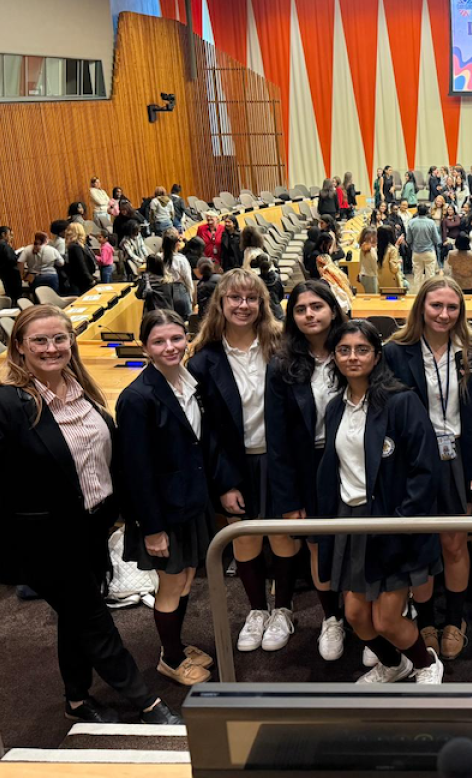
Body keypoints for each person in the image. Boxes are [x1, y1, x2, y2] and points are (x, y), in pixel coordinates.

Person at [0, 305, 181, 725]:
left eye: (60, 338)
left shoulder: (82, 389)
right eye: (39, 340)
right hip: (43, 540)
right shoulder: (5, 403)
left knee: (77, 616)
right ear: (19, 346)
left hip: (89, 530)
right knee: (93, 620)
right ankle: (147, 704)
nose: (51, 348)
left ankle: (76, 701)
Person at [317, 319, 445, 683]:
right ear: (334, 356)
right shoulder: (335, 408)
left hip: (391, 522)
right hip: (351, 521)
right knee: (356, 616)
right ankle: (394, 664)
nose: (352, 357)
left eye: (361, 350)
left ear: (376, 356)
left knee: (386, 618)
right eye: (343, 350)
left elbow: (425, 471)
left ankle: (426, 663)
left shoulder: (401, 402)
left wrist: (400, 525)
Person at [189, 269, 304, 654]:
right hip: (235, 466)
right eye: (234, 298)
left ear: (262, 303)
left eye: (251, 298)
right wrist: (223, 483)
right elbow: (207, 433)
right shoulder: (203, 361)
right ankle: (257, 609)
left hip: (280, 459)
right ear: (220, 304)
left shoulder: (281, 345)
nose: (243, 305)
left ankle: (284, 608)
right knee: (245, 538)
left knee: (282, 535)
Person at [385, 278, 472, 660]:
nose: (444, 314)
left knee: (453, 542)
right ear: (421, 307)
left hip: (459, 458)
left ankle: (455, 620)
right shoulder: (396, 352)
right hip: (414, 461)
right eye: (436, 306)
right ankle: (426, 620)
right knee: (421, 544)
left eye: (452, 307)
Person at [118, 309, 214, 687]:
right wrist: (152, 529)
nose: (170, 347)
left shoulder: (190, 384)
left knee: (187, 576)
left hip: (190, 501)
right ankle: (171, 659)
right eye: (159, 341)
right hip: (163, 512)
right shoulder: (137, 398)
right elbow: (135, 472)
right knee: (171, 583)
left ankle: (176, 644)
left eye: (176, 338)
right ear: (145, 348)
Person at [264, 280, 349, 662]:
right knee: (319, 545)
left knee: (362, 539)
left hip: (356, 459)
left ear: (332, 309)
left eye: (317, 306)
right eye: (301, 309)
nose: (310, 314)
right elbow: (277, 439)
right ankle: (333, 617)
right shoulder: (282, 365)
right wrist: (289, 496)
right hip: (310, 465)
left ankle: (368, 615)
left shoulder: (353, 349)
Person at [161, 229, 195, 319]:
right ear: (176, 244)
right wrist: (191, 295)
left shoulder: (159, 258)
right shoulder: (181, 259)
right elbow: (187, 279)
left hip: (164, 293)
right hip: (180, 292)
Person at [407, 203, 441, 289]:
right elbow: (436, 240)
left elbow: (409, 240)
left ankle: (418, 295)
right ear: (427, 212)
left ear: (417, 211)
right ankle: (428, 293)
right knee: (430, 275)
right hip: (429, 251)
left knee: (417, 275)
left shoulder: (411, 222)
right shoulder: (431, 223)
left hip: (416, 252)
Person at [62, 224, 98, 296]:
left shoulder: (74, 245)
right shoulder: (75, 247)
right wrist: (90, 279)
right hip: (82, 280)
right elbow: (81, 264)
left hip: (79, 279)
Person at [0, 225, 23, 301]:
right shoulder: (3, 246)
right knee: (16, 295)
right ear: (3, 234)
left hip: (3, 273)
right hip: (12, 273)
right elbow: (11, 259)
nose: (11, 237)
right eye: (9, 235)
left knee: (9, 293)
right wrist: (18, 256)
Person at [376, 225, 404, 290]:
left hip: (380, 280)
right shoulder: (392, 249)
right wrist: (399, 262)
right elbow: (394, 268)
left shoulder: (376, 248)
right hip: (392, 282)